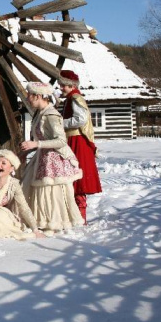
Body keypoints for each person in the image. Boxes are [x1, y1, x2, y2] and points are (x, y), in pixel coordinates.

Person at [20, 82, 84, 233]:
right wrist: (26, 151)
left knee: (51, 192)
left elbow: (61, 141)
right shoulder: (40, 114)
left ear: (38, 96)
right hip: (42, 157)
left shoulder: (51, 115)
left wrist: (36, 144)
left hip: (53, 159)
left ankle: (53, 222)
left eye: (30, 95)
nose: (28, 98)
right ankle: (40, 220)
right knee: (34, 187)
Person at [58, 70, 103, 224]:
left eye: (63, 85)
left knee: (77, 180)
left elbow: (80, 119)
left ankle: (80, 218)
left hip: (77, 141)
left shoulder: (76, 98)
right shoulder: (70, 98)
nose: (61, 88)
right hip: (72, 140)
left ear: (71, 85)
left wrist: (60, 124)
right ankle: (75, 217)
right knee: (72, 179)